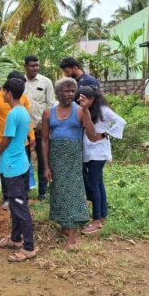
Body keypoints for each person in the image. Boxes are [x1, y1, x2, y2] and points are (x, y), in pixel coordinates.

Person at [41, 78, 100, 249]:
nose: (70, 94)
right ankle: (65, 227)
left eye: (73, 91)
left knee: (74, 195)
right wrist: (46, 167)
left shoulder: (80, 111)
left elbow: (92, 136)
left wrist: (87, 112)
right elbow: (45, 140)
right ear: (58, 93)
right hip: (56, 160)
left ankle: (72, 239)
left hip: (73, 160)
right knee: (58, 193)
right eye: (66, 91)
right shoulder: (48, 113)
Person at [0, 77, 37, 262]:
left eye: (4, 91)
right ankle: (15, 238)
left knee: (19, 207)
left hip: (13, 166)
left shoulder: (13, 114)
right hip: (21, 163)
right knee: (16, 205)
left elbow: (6, 139)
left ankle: (29, 247)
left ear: (9, 94)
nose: (2, 94)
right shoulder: (23, 111)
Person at [0, 71, 35, 210]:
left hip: (22, 142)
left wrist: (32, 136)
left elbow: (28, 119)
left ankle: (22, 198)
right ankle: (7, 198)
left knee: (22, 170)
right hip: (3, 141)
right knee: (5, 171)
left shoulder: (22, 99)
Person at [77, 86, 126, 234]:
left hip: (99, 152)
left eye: (83, 98)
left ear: (91, 99)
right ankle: (102, 215)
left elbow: (121, 122)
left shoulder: (103, 110)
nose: (80, 99)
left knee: (93, 185)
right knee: (98, 183)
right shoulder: (86, 109)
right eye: (79, 97)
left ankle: (96, 220)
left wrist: (105, 134)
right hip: (89, 151)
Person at [23, 55, 55, 201]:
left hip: (41, 127)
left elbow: (51, 104)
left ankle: (42, 192)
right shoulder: (19, 81)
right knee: (24, 159)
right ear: (25, 66)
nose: (35, 68)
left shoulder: (46, 81)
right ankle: (25, 190)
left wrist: (44, 122)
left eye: (37, 65)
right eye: (32, 65)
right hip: (23, 128)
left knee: (43, 159)